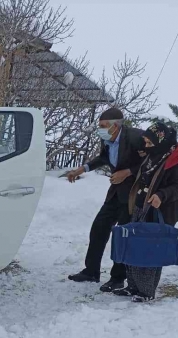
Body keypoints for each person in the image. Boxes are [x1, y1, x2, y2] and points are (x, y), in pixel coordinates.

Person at [64, 108, 145, 292]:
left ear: (115, 126)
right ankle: (91, 271)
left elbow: (149, 161)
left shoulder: (135, 137)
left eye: (103, 126)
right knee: (99, 227)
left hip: (133, 194)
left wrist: (128, 172)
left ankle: (117, 278)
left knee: (121, 235)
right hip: (116, 193)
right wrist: (82, 169)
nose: (100, 129)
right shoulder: (107, 138)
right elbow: (103, 158)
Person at [113, 121, 178, 302]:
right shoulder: (156, 154)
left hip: (159, 210)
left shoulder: (176, 160)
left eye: (150, 143)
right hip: (142, 205)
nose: (146, 146)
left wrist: (161, 195)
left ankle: (145, 291)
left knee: (149, 250)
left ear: (161, 141)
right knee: (134, 245)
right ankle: (133, 286)